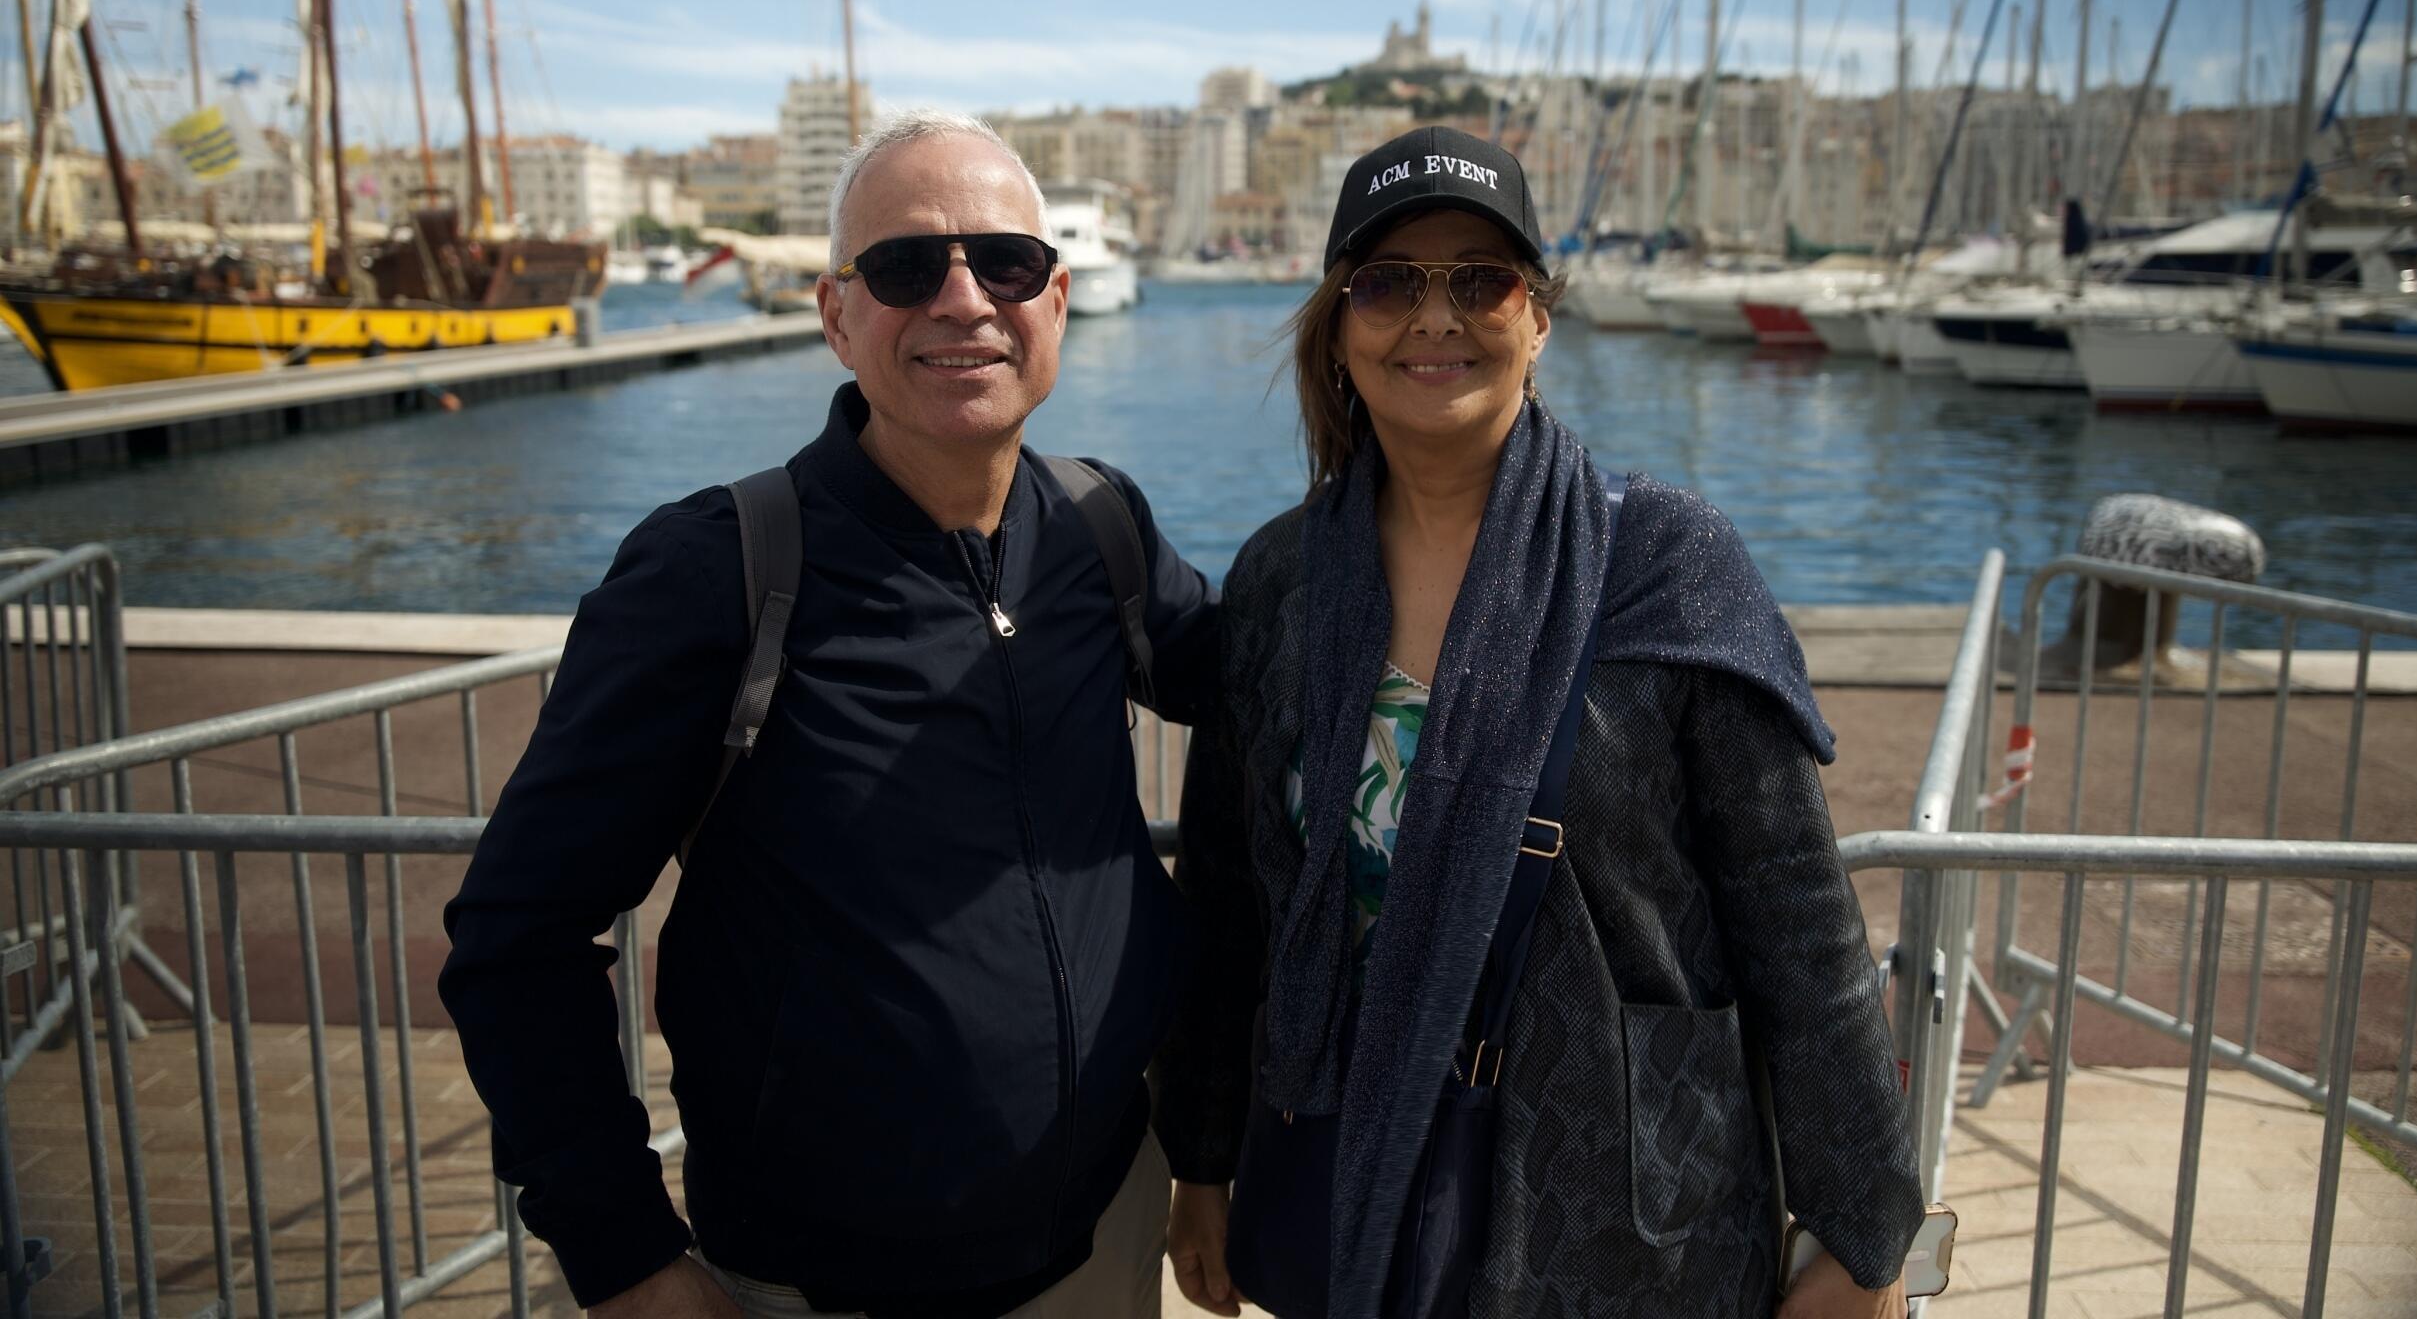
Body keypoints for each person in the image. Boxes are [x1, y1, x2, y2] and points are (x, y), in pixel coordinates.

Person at [440, 109, 1217, 1319]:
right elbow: (514, 939)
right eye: (907, 266)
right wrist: (623, 1253)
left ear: (1054, 299)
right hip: (828, 1278)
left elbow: (1275, 687)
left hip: (1102, 1229)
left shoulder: (1098, 528)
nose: (963, 298)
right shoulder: (717, 568)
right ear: (836, 315)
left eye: (1003, 260)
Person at [1152, 125, 1920, 1318]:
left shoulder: (1664, 562)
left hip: (1621, 1207)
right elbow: (1229, 902)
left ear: (1537, 314)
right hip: (1353, 1169)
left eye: (1480, 279)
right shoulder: (1281, 582)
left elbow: (1798, 922)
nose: (1434, 316)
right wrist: (1202, 1159)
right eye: (1390, 281)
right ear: (1340, 320)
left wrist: (1864, 1236)